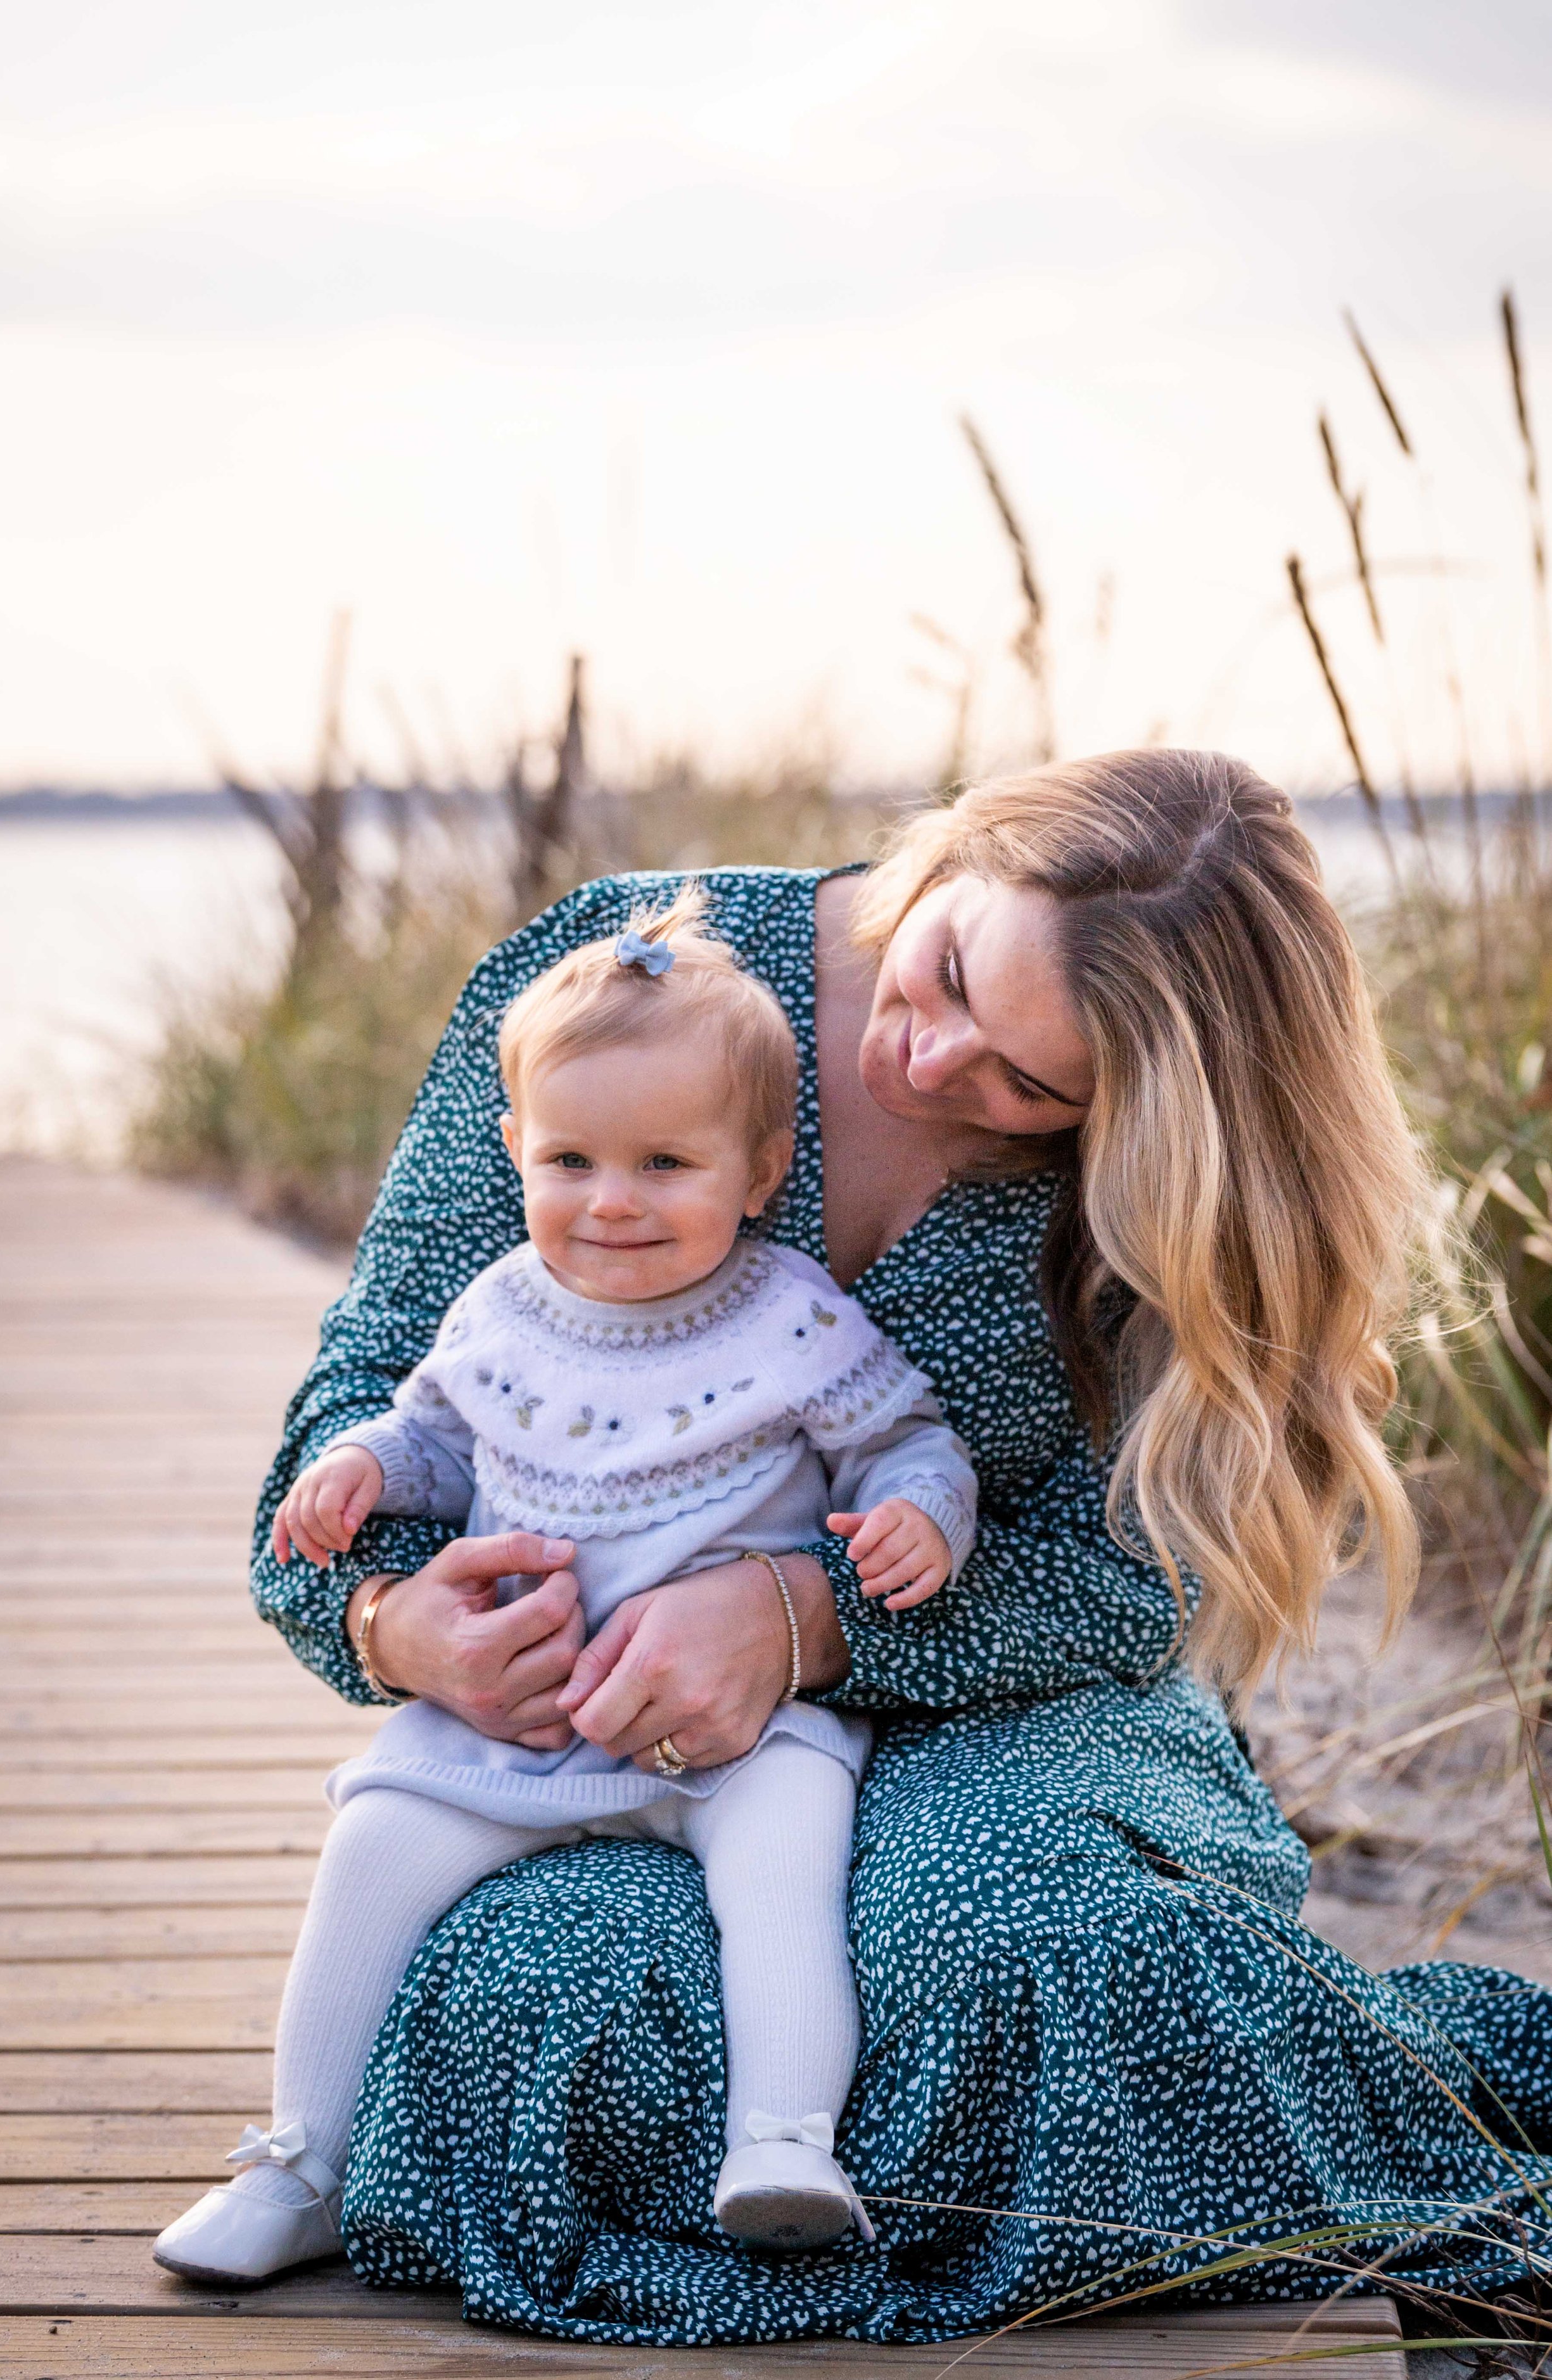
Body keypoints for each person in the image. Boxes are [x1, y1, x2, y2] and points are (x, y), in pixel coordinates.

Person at [236, 753, 1552, 2342]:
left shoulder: (1158, 1168)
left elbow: (1143, 1569)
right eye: (941, 976)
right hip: (595, 1719)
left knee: (1018, 1957)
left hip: (1006, 1707)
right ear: (965, 846)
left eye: (1029, 1088)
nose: (929, 1064)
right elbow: (381, 1381)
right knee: (544, 2009)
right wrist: (387, 1621)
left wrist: (807, 1618)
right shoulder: (614, 978)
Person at [153, 886, 976, 2285]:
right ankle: (296, 2161)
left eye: (665, 1162)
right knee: (370, 1856)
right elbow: (431, 1435)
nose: (611, 1201)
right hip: (512, 1722)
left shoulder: (791, 1315)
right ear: (514, 1150)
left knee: (788, 1866)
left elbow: (907, 1435)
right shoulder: (497, 1306)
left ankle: (783, 2142)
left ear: (760, 1168)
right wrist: (359, 1469)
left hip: (734, 1731)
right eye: (571, 1159)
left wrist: (919, 1514)